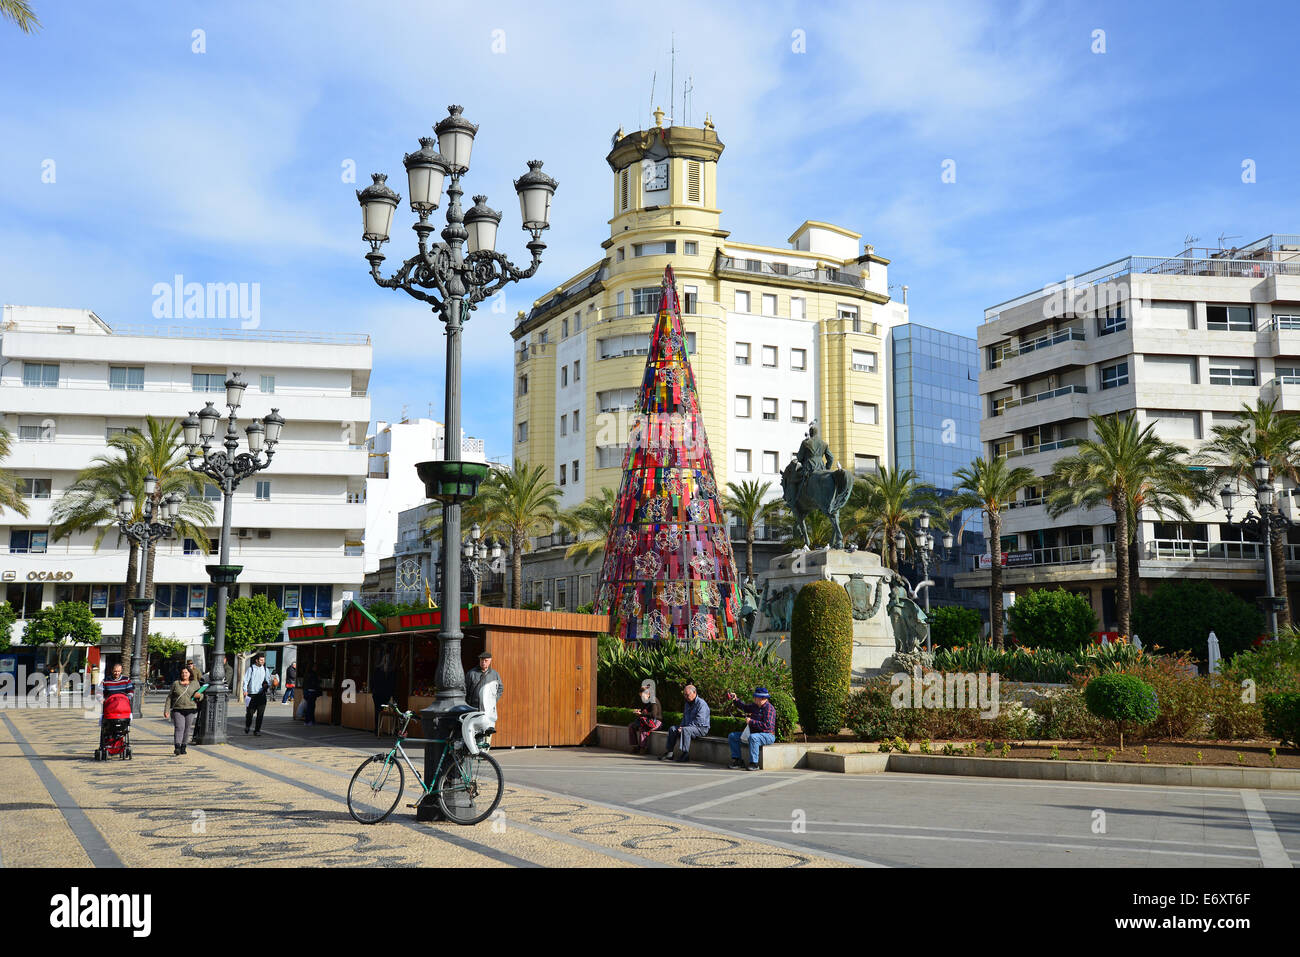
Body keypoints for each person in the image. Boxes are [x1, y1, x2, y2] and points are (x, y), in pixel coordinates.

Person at [724, 687, 777, 770]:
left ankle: (754, 763)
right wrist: (735, 699)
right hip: (753, 733)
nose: (754, 698)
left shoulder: (769, 709)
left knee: (753, 737)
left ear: (762, 698)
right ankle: (738, 761)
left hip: (768, 735)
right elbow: (744, 707)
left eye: (756, 697)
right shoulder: (755, 706)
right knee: (732, 736)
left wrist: (751, 722)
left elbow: (767, 726)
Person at [660, 683, 710, 762]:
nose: (686, 697)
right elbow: (685, 718)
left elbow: (699, 720)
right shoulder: (687, 703)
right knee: (672, 729)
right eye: (685, 695)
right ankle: (670, 753)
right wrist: (681, 726)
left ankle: (685, 754)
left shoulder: (701, 704)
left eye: (687, 695)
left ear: (694, 693)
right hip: (688, 727)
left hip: (701, 728)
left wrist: (684, 728)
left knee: (685, 730)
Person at [163, 665, 204, 756]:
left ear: (190, 674)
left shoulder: (195, 683)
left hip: (191, 709)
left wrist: (199, 696)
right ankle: (177, 747)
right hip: (178, 709)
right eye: (182, 673)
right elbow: (169, 697)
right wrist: (166, 710)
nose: (184, 674)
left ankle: (183, 746)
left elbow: (201, 696)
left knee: (187, 729)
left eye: (186, 672)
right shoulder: (176, 683)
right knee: (179, 728)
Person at [627, 680, 662, 754]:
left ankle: (643, 747)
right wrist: (638, 711)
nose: (642, 698)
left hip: (656, 722)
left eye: (642, 696)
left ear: (648, 694)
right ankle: (635, 746)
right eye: (641, 696)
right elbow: (644, 711)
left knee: (643, 727)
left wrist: (641, 714)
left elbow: (653, 715)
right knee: (631, 726)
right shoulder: (645, 701)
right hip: (647, 721)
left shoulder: (653, 700)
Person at [243, 652, 271, 736]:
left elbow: (268, 681)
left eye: (263, 660)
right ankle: (247, 726)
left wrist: (268, 685)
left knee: (260, 714)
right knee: (249, 713)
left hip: (261, 695)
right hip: (251, 694)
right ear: (257, 660)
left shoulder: (265, 669)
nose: (262, 661)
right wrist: (245, 690)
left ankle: (257, 730)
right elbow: (246, 680)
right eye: (261, 660)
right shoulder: (251, 668)